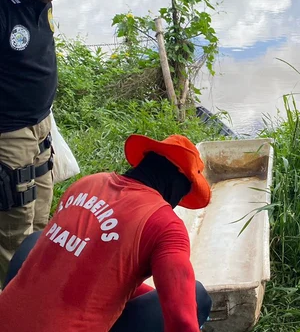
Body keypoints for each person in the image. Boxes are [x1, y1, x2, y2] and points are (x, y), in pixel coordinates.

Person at [0, 134, 213, 331]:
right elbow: (182, 320)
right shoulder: (165, 224)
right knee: (196, 295)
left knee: (38, 239)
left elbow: (97, 272)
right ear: (177, 187)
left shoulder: (87, 183)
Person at [0, 0, 97, 284]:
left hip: (40, 125)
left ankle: (35, 289)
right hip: (8, 135)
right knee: (13, 229)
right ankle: (15, 306)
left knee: (40, 217)